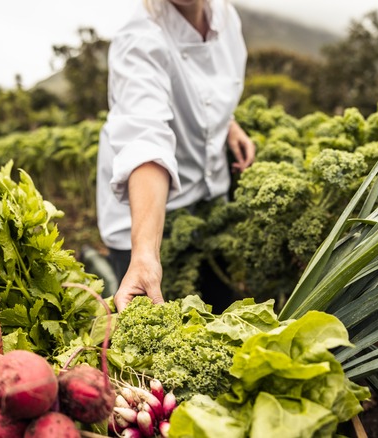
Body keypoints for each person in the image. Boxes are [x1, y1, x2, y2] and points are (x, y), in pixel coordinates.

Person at [96, 0, 255, 312]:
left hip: (207, 197)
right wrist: (144, 254)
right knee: (158, 334)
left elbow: (208, 89)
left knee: (220, 304)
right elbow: (146, 139)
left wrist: (228, 124)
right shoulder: (139, 38)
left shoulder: (225, 16)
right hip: (144, 212)